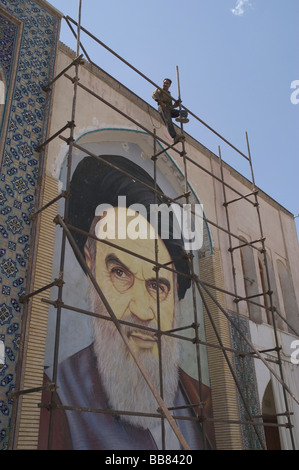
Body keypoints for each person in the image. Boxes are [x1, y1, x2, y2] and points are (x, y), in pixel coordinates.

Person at [38, 155, 215, 450]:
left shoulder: (202, 400)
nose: (142, 310)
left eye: (158, 286)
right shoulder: (54, 396)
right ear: (90, 263)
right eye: (120, 273)